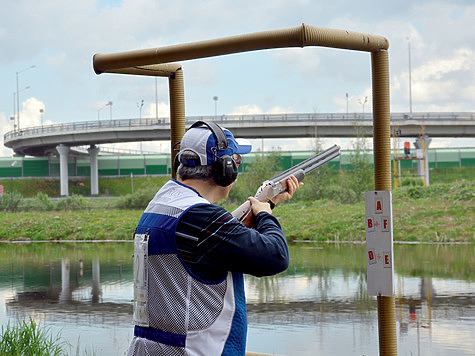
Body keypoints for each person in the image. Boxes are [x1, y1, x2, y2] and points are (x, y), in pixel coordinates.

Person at [127, 121, 302, 356]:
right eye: (237, 162)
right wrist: (264, 215)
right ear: (225, 169)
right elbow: (276, 256)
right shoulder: (201, 217)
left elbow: (207, 246)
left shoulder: (162, 203)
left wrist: (268, 202)